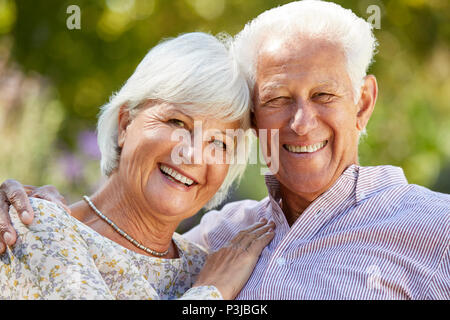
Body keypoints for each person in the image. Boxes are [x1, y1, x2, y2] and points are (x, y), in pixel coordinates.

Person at [1, 1, 449, 300]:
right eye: (277, 99)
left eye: (324, 96)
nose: (301, 122)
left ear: (364, 103)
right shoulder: (219, 243)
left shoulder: (434, 227)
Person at [0, 32, 276, 300]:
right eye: (177, 123)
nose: (192, 154)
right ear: (125, 124)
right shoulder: (41, 226)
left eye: (219, 143)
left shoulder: (208, 265)